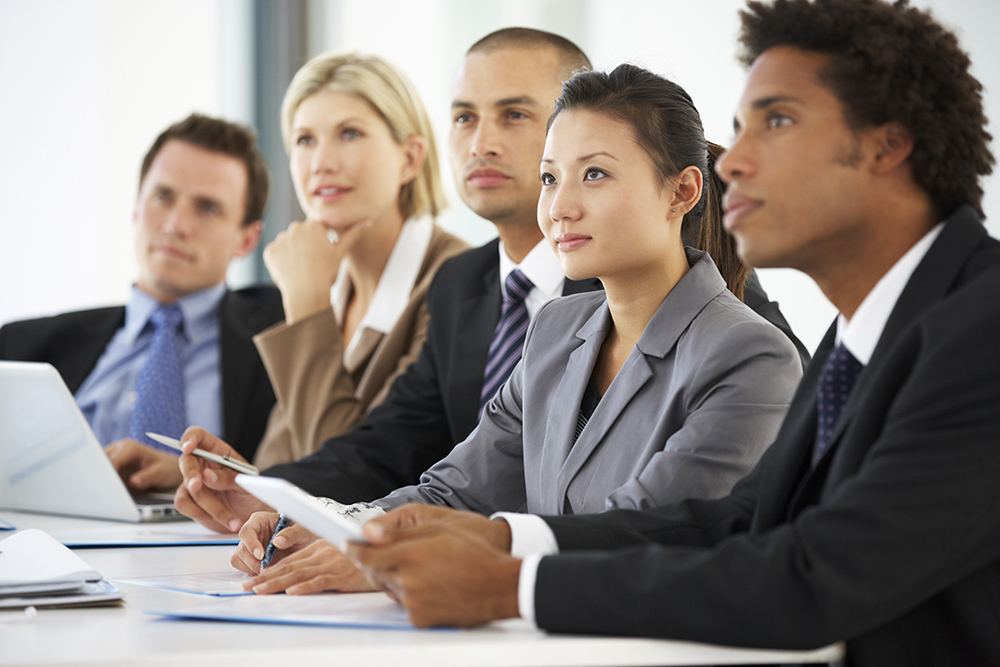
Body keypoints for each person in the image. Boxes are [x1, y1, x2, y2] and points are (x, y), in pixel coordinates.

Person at [346, 1, 1000, 663]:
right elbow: (736, 520)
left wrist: (516, 584)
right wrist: (505, 541)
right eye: (740, 127)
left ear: (888, 145)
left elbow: (815, 575)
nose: (735, 160)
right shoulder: (864, 337)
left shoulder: (982, 329)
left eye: (777, 121)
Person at [175, 28, 804, 534]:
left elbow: (645, 530)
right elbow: (452, 486)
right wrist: (315, 523)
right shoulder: (555, 328)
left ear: (682, 192)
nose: (558, 206)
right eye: (552, 177)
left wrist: (439, 551)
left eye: (595, 175)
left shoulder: (746, 347)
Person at [0, 114, 283, 490]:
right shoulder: (24, 346)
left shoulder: (282, 339)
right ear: (135, 207)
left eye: (207, 208)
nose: (174, 224)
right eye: (162, 197)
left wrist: (201, 477)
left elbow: (312, 469)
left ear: (247, 240)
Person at [243, 52, 467, 470]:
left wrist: (307, 304)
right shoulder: (331, 277)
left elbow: (345, 475)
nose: (321, 163)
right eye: (304, 140)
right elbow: (280, 461)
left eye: (349, 133)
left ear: (410, 159)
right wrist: (216, 476)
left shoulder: (457, 280)